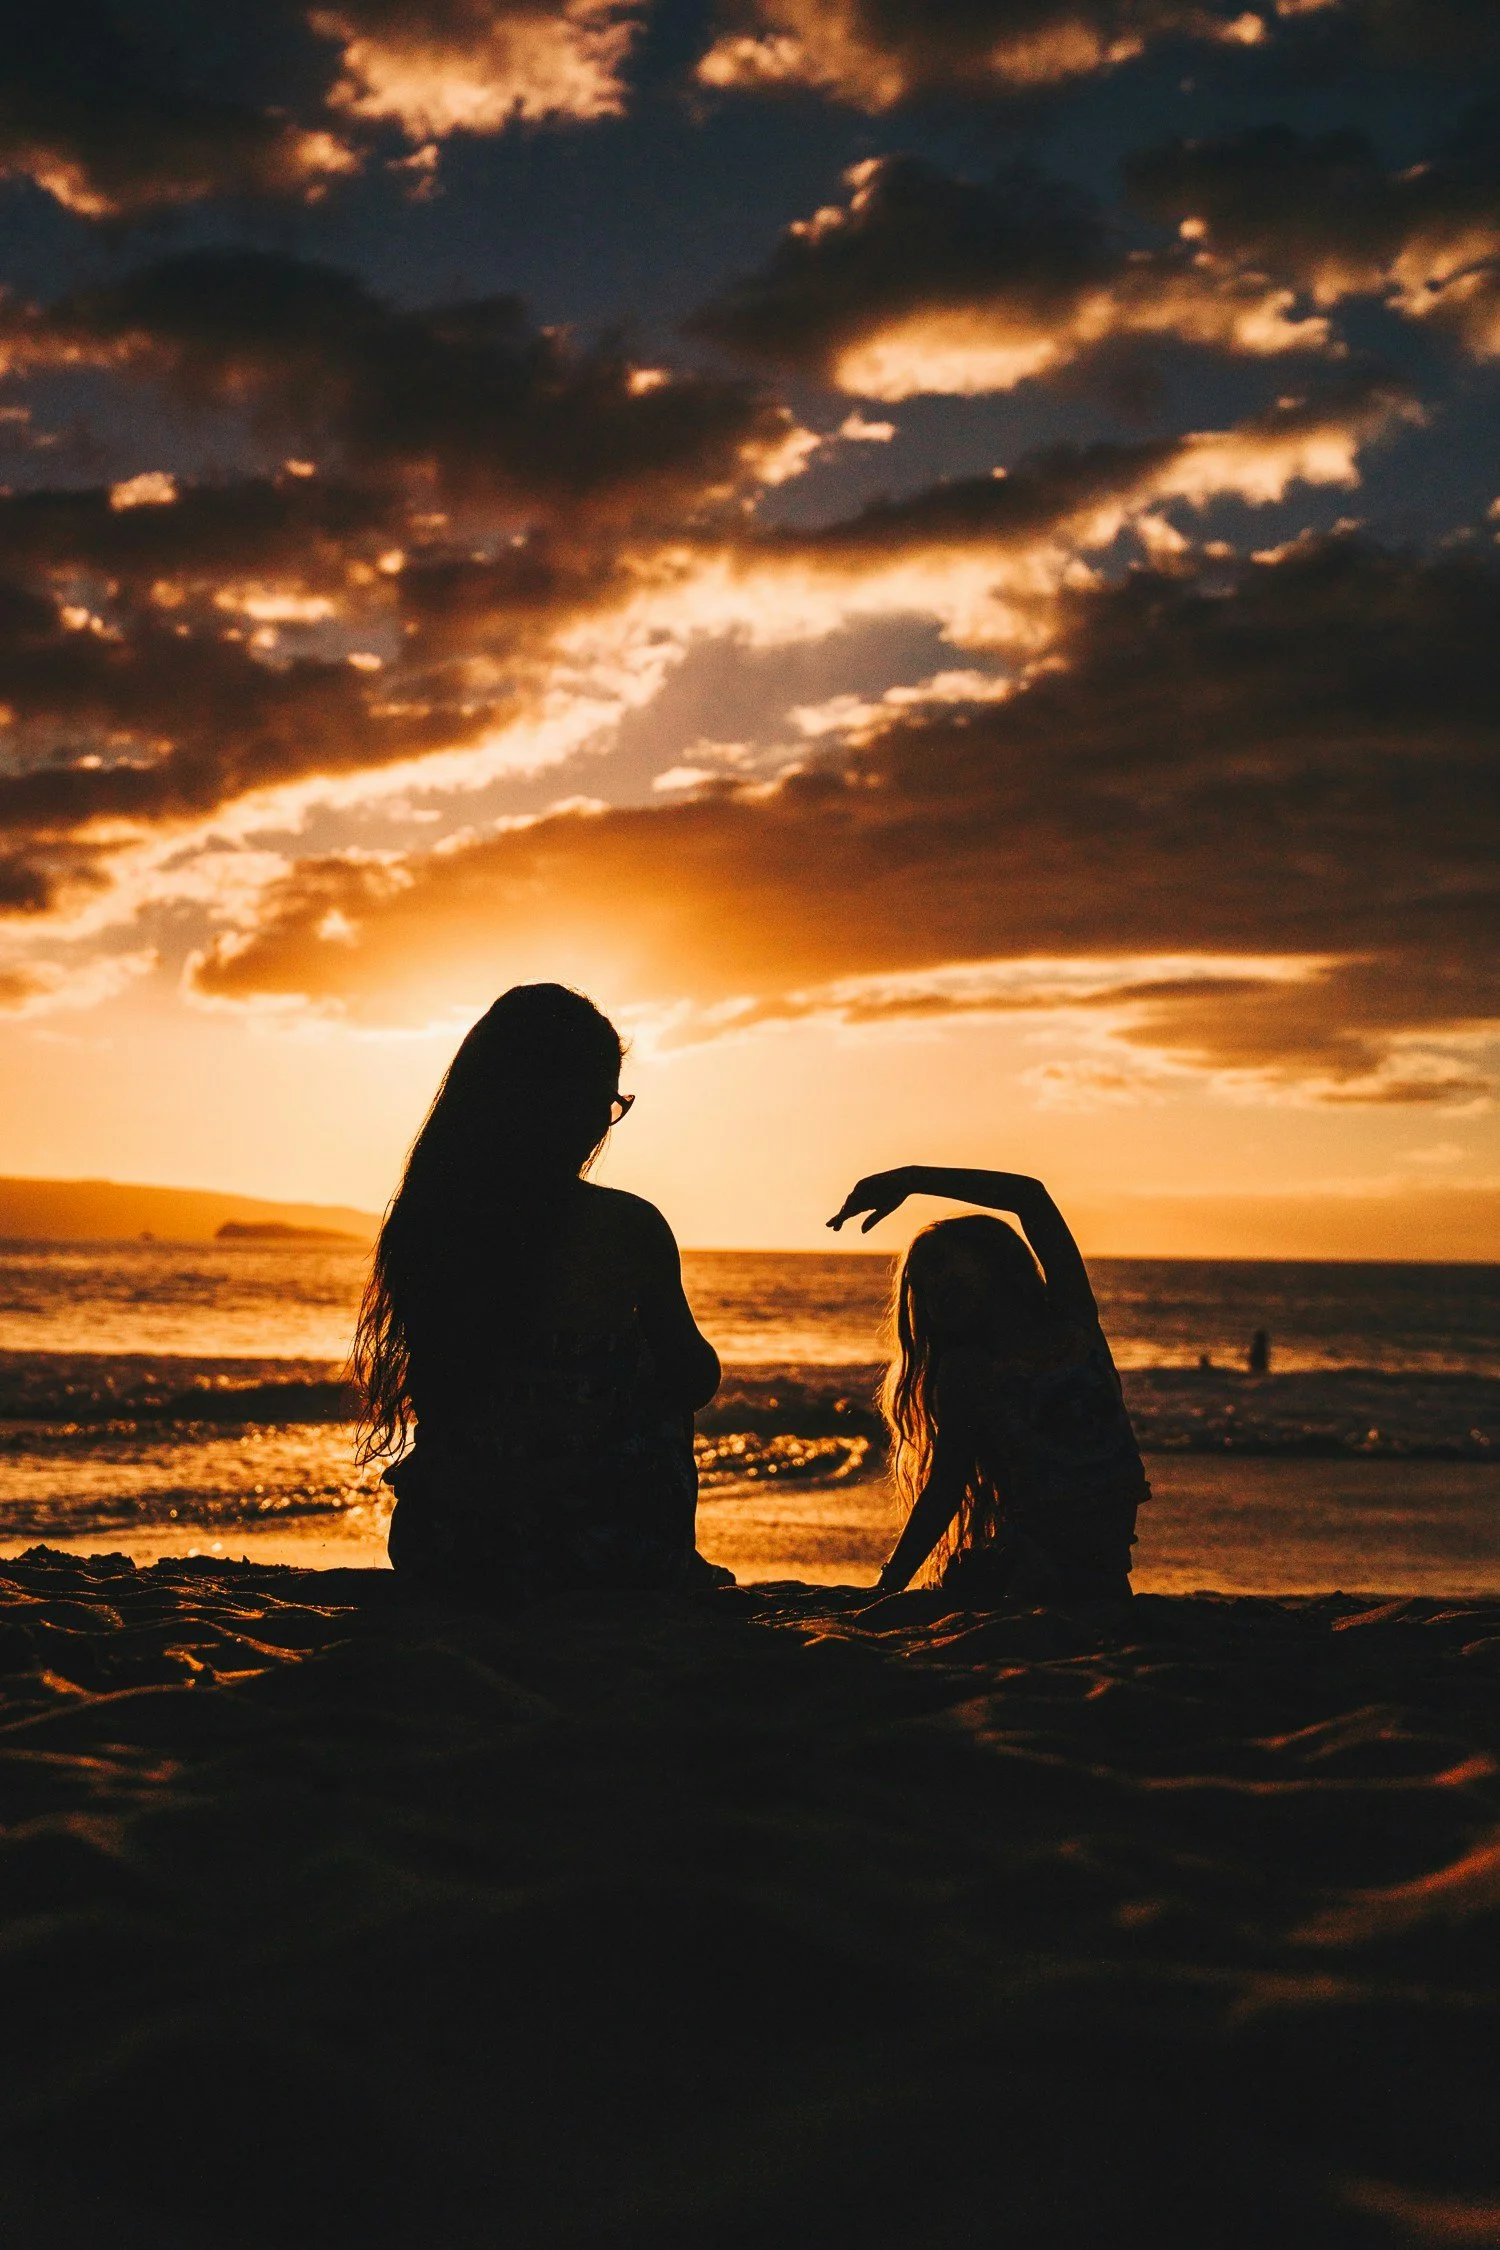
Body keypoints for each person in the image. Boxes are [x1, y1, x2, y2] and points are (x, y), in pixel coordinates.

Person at [355, 983, 727, 1593]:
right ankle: (676, 1561)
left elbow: (444, 1398)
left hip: (445, 1546)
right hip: (599, 1556)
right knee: (656, 1379)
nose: (603, 1121)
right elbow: (695, 1379)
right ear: (567, 1104)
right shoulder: (628, 1226)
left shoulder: (429, 1218)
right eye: (603, 1100)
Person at [828, 1166, 1148, 1606]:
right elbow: (945, 1486)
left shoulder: (1073, 1322)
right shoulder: (967, 1374)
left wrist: (910, 1179)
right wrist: (890, 1584)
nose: (935, 1286)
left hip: (1102, 1557)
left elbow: (1030, 1197)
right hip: (1038, 1560)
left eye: (941, 1264)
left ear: (996, 1259)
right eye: (921, 1286)